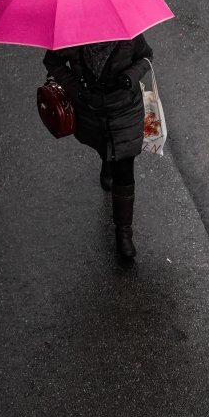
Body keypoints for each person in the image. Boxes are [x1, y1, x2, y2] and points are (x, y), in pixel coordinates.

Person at [43, 34, 153, 260]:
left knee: (124, 167)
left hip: (125, 109)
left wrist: (130, 77)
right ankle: (106, 160)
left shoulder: (129, 36)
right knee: (104, 147)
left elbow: (146, 57)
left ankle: (124, 232)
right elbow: (52, 62)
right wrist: (75, 88)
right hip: (90, 110)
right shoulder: (71, 36)